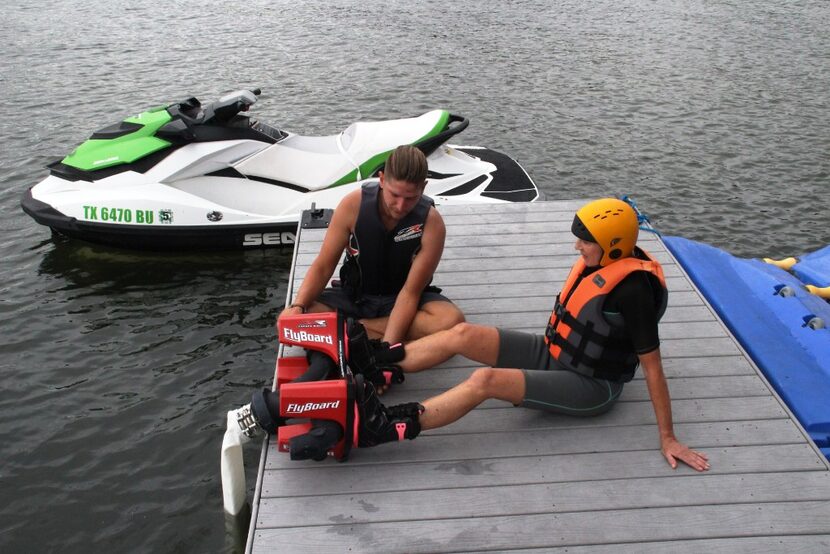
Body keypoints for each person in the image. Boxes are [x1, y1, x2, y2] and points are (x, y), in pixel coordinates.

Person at [354, 197, 710, 472]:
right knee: (461, 333)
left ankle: (384, 425)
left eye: (585, 242)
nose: (577, 247)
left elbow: (653, 369)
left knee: (485, 380)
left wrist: (668, 437)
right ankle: (373, 363)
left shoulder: (634, 293)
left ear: (612, 244)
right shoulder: (600, 262)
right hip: (556, 353)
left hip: (591, 386)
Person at [279, 145, 464, 345]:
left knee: (450, 320)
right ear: (382, 180)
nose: (400, 206)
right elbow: (323, 266)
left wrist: (388, 347)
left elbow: (410, 293)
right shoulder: (352, 205)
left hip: (401, 298)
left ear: (424, 188)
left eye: (410, 198)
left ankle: (350, 329)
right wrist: (297, 307)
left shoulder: (432, 223)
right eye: (394, 195)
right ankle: (363, 330)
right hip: (357, 296)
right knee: (293, 318)